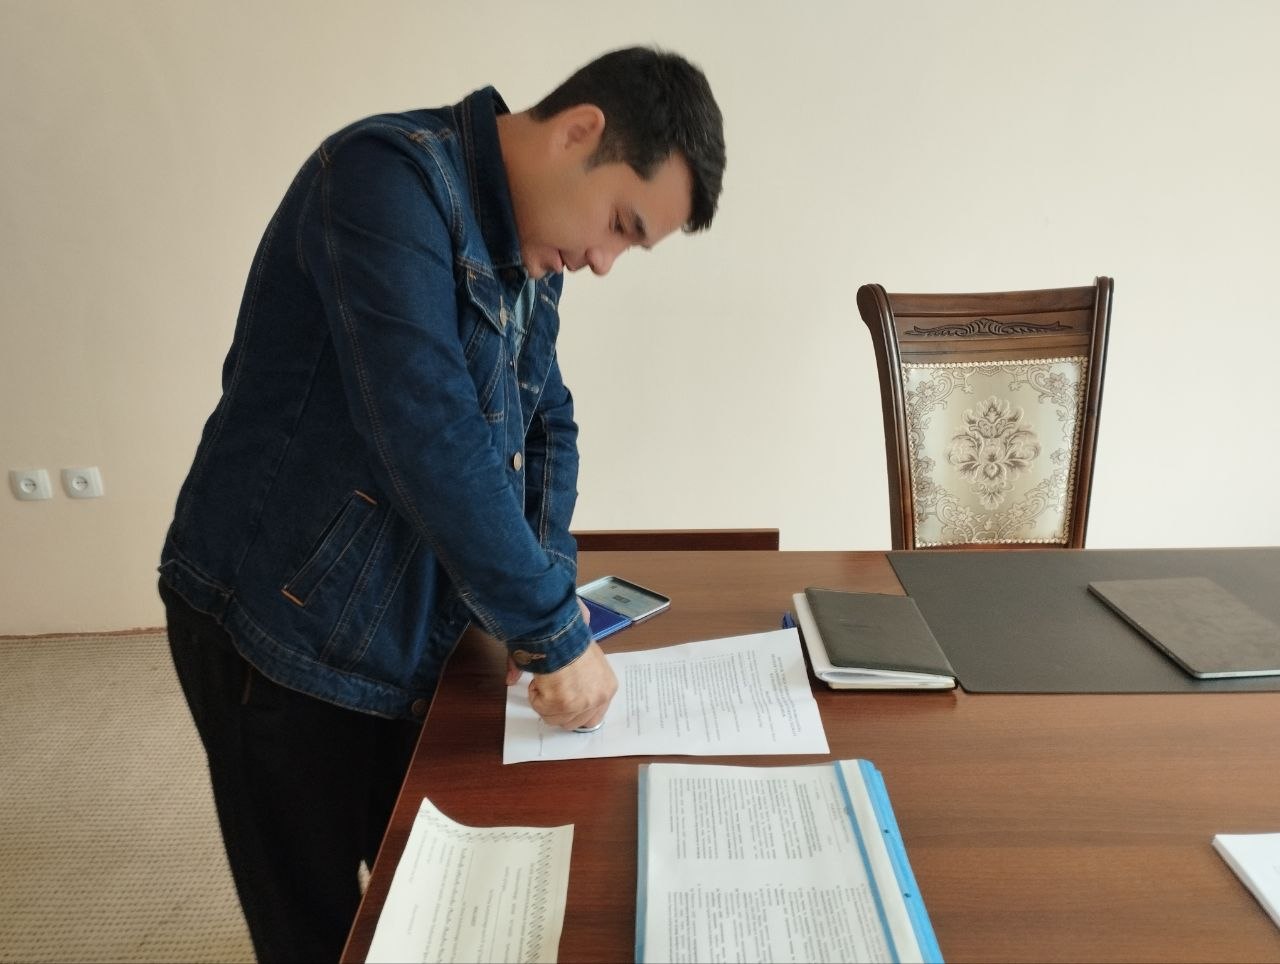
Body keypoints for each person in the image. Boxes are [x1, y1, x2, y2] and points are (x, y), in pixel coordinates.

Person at [157, 46, 725, 962]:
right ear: (579, 131)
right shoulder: (381, 181)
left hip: (409, 627)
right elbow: (429, 432)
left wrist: (547, 592)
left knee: (416, 899)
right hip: (281, 630)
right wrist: (550, 630)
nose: (604, 261)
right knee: (312, 928)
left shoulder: (527, 250)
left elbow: (548, 421)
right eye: (621, 225)